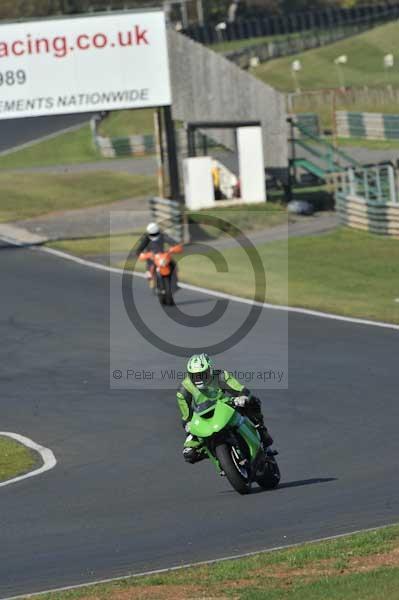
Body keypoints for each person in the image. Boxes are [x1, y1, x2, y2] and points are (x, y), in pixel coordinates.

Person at [176, 353, 274, 464]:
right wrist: (188, 426)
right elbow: (186, 416)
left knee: (252, 401)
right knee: (189, 454)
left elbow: (239, 389)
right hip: (202, 417)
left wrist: (242, 397)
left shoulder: (220, 376)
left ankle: (261, 430)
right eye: (194, 375)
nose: (199, 378)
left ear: (210, 369)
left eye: (202, 374)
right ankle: (215, 455)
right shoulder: (184, 389)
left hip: (225, 406)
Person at [135, 222, 178, 288]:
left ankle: (174, 280)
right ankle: (151, 279)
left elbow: (172, 242)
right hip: (151, 258)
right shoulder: (146, 239)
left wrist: (173, 248)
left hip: (162, 256)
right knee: (149, 271)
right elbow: (139, 250)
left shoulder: (162, 236)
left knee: (173, 264)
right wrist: (143, 255)